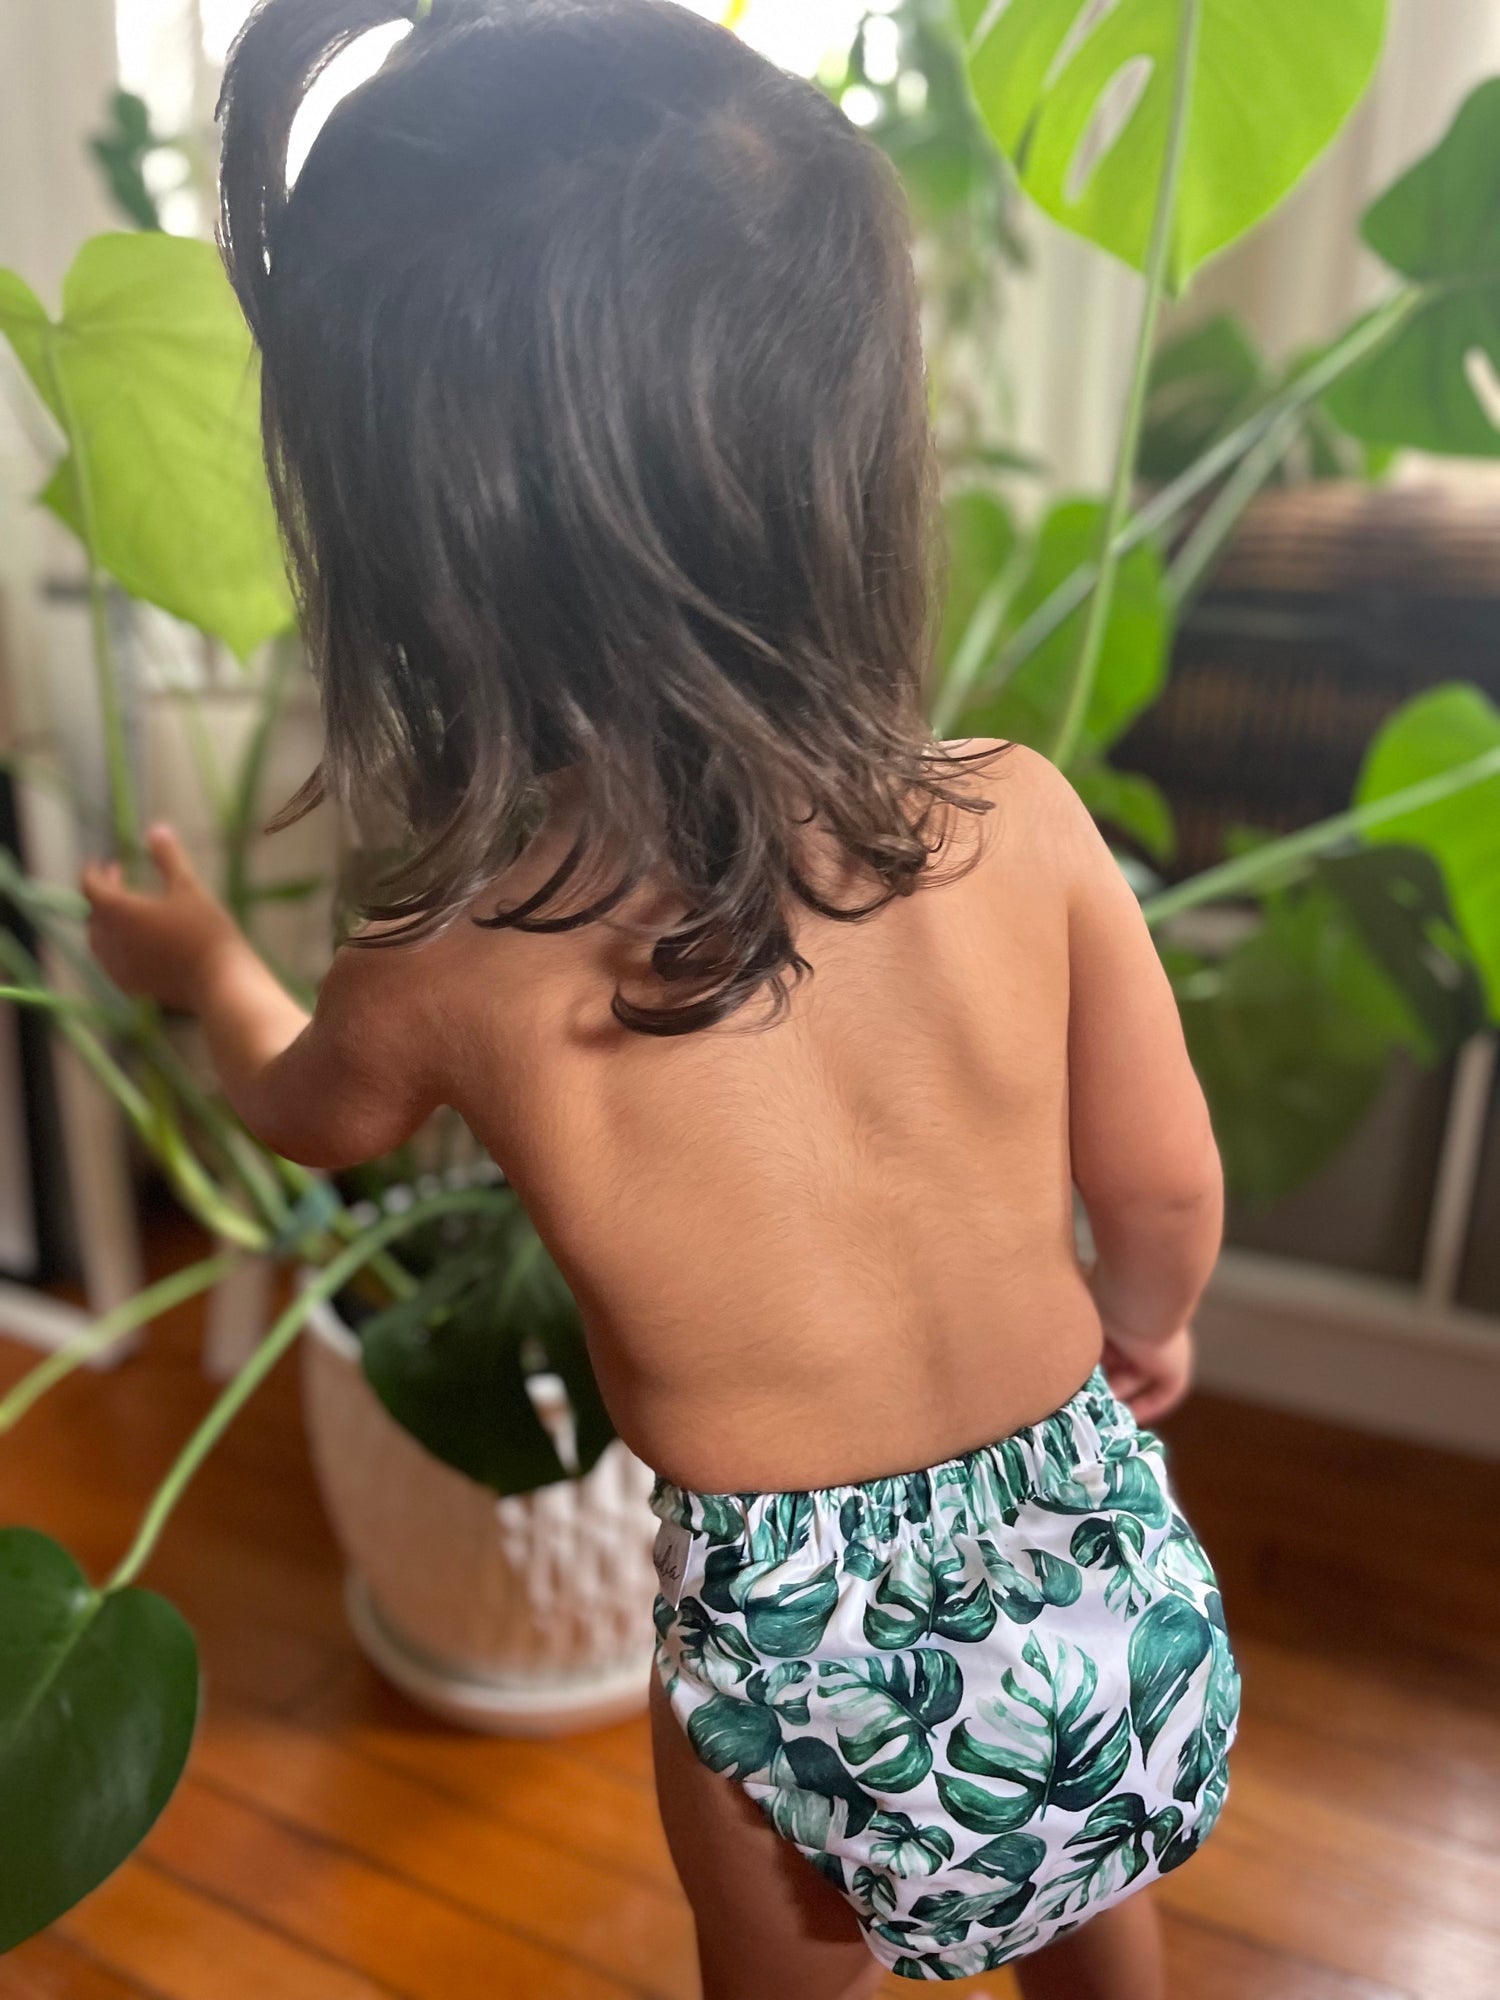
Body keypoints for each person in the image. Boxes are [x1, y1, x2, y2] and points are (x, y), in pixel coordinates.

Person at [81, 2, 1238, 1993]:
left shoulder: (457, 964)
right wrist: (1154, 1321)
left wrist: (205, 969)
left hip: (793, 1621)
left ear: (409, 541)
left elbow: (301, 1108)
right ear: (854, 452)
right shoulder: (1025, 826)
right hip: (1077, 1527)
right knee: (1088, 1888)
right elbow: (1163, 1183)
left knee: (777, 1959)